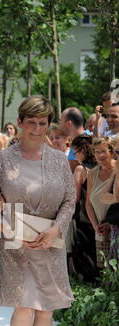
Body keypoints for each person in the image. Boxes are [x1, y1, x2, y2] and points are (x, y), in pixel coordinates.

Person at [0, 95, 76, 326]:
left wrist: (55, 229)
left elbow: (69, 201)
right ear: (19, 123)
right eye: (31, 122)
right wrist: (8, 232)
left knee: (45, 310)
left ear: (49, 125)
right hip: (16, 243)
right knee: (24, 307)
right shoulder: (2, 160)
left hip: (50, 242)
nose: (37, 128)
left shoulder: (60, 161)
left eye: (43, 123)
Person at [85, 137, 116, 269]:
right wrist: (95, 226)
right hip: (100, 229)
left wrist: (110, 224)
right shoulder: (92, 173)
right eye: (96, 152)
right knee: (105, 272)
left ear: (112, 152)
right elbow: (88, 203)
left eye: (103, 151)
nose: (100, 155)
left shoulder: (118, 170)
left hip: (116, 227)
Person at [70, 135, 97, 281]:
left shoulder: (81, 169)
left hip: (84, 217)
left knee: (84, 254)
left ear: (83, 150)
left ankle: (86, 283)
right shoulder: (101, 167)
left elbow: (75, 198)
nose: (74, 155)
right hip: (101, 216)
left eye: (75, 151)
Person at [59, 107, 90, 173]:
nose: (59, 126)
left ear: (69, 124)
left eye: (60, 121)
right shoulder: (83, 139)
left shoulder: (84, 142)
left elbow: (68, 172)